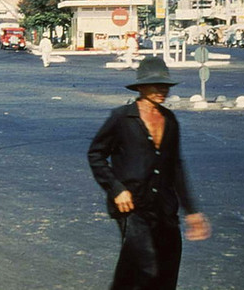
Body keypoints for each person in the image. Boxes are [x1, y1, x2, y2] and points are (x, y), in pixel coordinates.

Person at [88, 56, 210, 289]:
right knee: (143, 268)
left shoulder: (170, 120)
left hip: (164, 207)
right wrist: (116, 188)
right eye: (156, 85)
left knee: (167, 269)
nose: (162, 90)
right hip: (132, 206)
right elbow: (96, 154)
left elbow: (175, 166)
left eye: (165, 86)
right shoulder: (122, 118)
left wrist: (192, 211)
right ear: (141, 87)